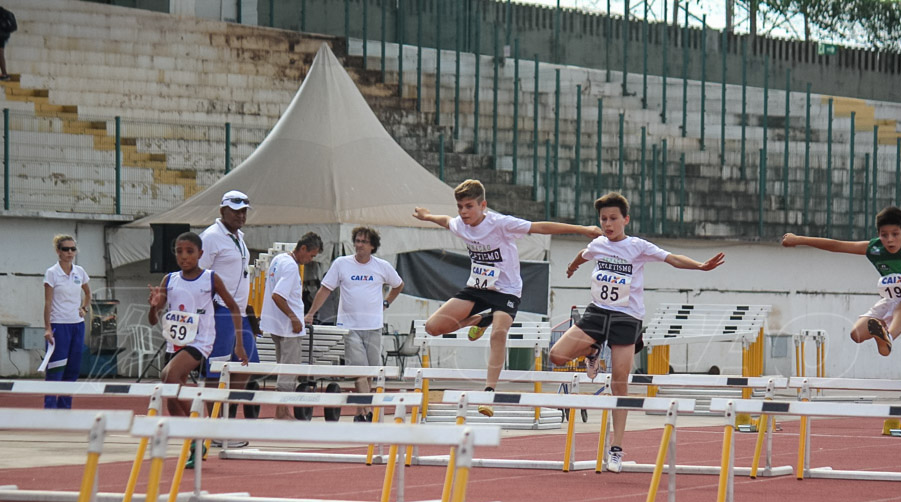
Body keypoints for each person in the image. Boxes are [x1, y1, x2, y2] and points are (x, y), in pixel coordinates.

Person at [548, 192, 724, 473]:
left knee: (620, 382)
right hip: (597, 312)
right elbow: (583, 255)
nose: (608, 224)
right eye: (603, 219)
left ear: (625, 220)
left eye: (613, 219)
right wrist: (571, 266)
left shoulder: (637, 246)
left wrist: (700, 266)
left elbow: (672, 258)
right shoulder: (598, 245)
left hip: (627, 317)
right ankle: (593, 350)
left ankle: (616, 447)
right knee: (556, 355)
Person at [413, 179, 602, 417]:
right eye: (460, 206)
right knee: (432, 327)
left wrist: (583, 230)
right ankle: (480, 320)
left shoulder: (500, 224)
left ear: (483, 205)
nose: (463, 212)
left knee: (499, 333)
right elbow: (446, 221)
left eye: (469, 206)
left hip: (506, 291)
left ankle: (489, 392)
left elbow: (539, 227)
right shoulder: (461, 224)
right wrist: (427, 216)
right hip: (477, 288)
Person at [782, 206, 901, 357]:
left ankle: (888, 337)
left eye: (895, 234)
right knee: (857, 334)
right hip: (894, 297)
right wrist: (798, 239)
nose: (890, 240)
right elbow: (837, 245)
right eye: (884, 235)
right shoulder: (874, 248)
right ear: (879, 234)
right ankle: (881, 336)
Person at [148, 232, 247, 465]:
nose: (184, 257)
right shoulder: (169, 280)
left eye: (189, 252)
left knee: (168, 376)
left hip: (200, 341)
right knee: (171, 397)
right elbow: (153, 319)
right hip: (176, 342)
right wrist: (153, 307)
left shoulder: (211, 279)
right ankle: (194, 443)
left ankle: (199, 426)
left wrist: (239, 343)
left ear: (200, 254)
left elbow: (234, 308)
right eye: (179, 252)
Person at [305, 226, 404, 421]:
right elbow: (325, 289)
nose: (359, 245)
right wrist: (311, 313)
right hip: (349, 327)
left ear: (372, 246)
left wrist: (386, 302)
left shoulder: (381, 266)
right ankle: (367, 411)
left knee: (370, 372)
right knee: (359, 370)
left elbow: (398, 284)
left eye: (364, 242)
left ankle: (360, 413)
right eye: (357, 241)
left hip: (373, 326)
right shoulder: (341, 264)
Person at [200, 190, 260, 438]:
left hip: (239, 312)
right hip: (219, 310)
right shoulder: (211, 238)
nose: (241, 215)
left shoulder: (238, 237)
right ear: (222, 210)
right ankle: (215, 427)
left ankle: (227, 418)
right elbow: (199, 274)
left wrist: (247, 308)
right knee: (217, 366)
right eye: (235, 210)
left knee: (248, 365)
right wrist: (209, 305)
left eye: (244, 210)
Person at [259, 233, 323, 420]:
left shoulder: (278, 259)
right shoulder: (291, 267)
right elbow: (278, 295)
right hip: (288, 327)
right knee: (289, 369)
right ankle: (281, 412)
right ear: (303, 248)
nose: (310, 260)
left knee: (283, 367)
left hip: (276, 324)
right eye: (311, 255)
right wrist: (294, 318)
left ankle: (282, 411)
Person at [42, 234, 92, 409]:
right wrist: (47, 328)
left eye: (73, 249)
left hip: (77, 325)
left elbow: (88, 293)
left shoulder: (80, 272)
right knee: (56, 368)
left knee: (73, 367)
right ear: (58, 251)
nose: (70, 252)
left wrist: (84, 308)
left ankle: (65, 407)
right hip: (58, 325)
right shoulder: (52, 273)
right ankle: (50, 408)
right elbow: (47, 302)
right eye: (66, 249)